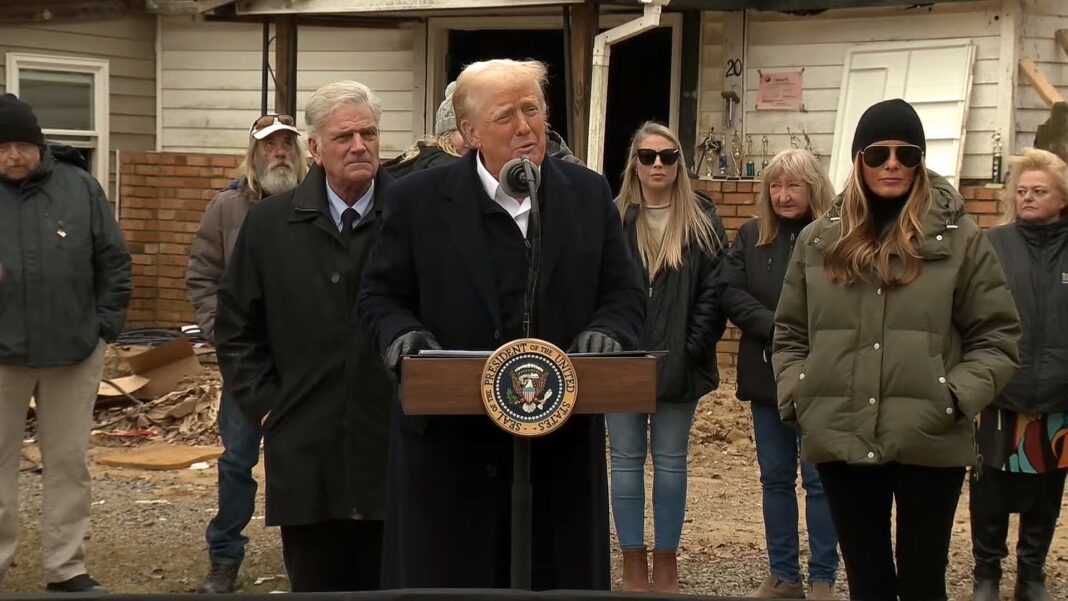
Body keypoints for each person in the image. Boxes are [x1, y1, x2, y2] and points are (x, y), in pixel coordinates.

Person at [357, 58, 645, 590]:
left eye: (532, 110)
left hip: (558, 446)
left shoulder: (587, 195)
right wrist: (402, 336)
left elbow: (624, 292)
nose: (524, 129)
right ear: (468, 133)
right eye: (505, 116)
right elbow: (380, 295)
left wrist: (612, 330)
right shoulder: (417, 200)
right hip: (451, 451)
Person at [772, 98, 1021, 601]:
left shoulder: (962, 240)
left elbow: (997, 336)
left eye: (906, 154)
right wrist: (801, 393)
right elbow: (790, 333)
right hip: (841, 430)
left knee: (924, 581)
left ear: (921, 161)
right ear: (858, 158)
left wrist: (953, 397)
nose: (892, 164)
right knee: (867, 581)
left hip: (929, 434)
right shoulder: (820, 241)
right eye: (878, 153)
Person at [214, 81, 395, 593]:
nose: (359, 145)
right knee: (317, 581)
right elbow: (236, 327)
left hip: (392, 444)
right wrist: (266, 404)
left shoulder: (410, 217)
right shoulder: (271, 224)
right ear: (314, 149)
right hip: (305, 444)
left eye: (369, 133)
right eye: (344, 137)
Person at [0, 94, 132, 593]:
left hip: (73, 351)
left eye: (22, 145)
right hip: (2, 357)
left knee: (68, 464)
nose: (14, 155)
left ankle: (66, 566)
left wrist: (104, 327)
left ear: (39, 146)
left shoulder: (79, 187)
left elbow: (113, 261)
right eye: (3, 146)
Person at [186, 112, 308, 593]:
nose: (279, 152)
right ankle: (224, 557)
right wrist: (223, 334)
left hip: (301, 361)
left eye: (286, 144)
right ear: (253, 152)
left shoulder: (313, 202)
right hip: (245, 362)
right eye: (269, 145)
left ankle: (303, 556)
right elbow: (202, 275)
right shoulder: (227, 207)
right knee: (237, 461)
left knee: (298, 461)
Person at [608, 121, 726, 593]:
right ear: (634, 164)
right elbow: (599, 288)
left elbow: (714, 296)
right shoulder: (613, 219)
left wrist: (691, 350)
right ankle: (632, 560)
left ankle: (666, 560)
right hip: (623, 363)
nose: (659, 164)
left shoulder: (703, 220)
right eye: (648, 156)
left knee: (672, 463)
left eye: (669, 156)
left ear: (680, 164)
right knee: (625, 461)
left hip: (682, 363)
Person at [721, 148, 840, 600]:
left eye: (793, 186)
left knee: (819, 482)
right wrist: (774, 327)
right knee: (775, 478)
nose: (784, 195)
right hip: (767, 375)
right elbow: (729, 292)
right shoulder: (752, 236)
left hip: (821, 375)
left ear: (813, 188)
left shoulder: (835, 236)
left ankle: (824, 578)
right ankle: (784, 576)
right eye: (776, 186)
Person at [971, 148, 1068, 601]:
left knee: (1046, 494)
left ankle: (1031, 575)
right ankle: (986, 574)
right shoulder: (995, 243)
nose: (1028, 198)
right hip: (1001, 390)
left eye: (1040, 191)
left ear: (1062, 198)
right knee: (990, 490)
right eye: (1022, 191)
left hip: (1058, 394)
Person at [382, 81, 467, 179]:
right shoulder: (445, 167)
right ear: (445, 134)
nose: (471, 138)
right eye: (463, 130)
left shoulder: (423, 157)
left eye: (477, 131)